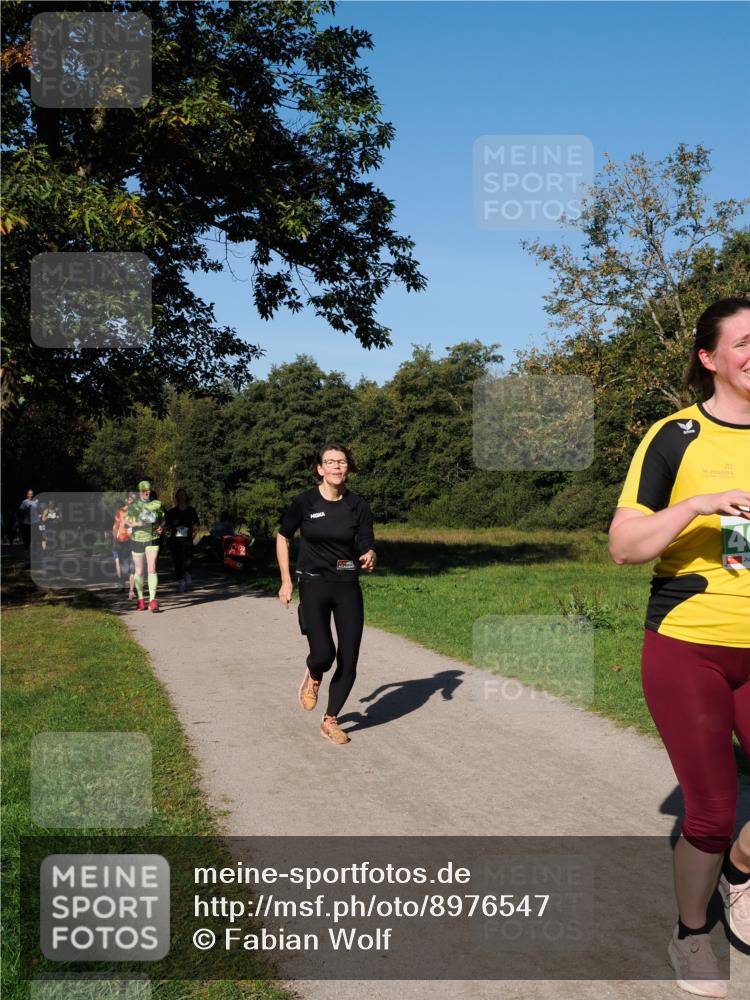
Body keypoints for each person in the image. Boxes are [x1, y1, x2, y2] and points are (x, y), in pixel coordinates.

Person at [609, 298, 750, 999]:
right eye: (745, 342)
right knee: (711, 812)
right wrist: (700, 505)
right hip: (688, 645)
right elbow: (624, 547)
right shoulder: (676, 436)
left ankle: (742, 869)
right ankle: (694, 931)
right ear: (710, 358)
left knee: (736, 832)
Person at [276, 442, 376, 745]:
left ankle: (331, 719)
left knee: (349, 658)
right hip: (314, 583)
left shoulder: (357, 505)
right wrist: (286, 581)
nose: (336, 466)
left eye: (342, 462)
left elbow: (365, 541)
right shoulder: (304, 503)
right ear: (319, 469)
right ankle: (314, 674)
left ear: (348, 468)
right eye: (330, 462)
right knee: (324, 654)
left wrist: (369, 553)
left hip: (346, 585)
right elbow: (283, 538)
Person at [125, 480, 166, 612]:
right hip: (137, 540)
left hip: (152, 539)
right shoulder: (133, 506)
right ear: (140, 492)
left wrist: (161, 526)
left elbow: (162, 519)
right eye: (144, 490)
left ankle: (152, 600)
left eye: (148, 490)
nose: (147, 492)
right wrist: (138, 524)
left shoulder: (157, 504)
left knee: (152, 568)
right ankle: (141, 599)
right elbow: (126, 522)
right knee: (139, 571)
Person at [166, 488, 199, 592]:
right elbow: (166, 525)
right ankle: (181, 581)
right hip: (175, 539)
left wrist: (195, 533)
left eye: (183, 495)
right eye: (179, 495)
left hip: (188, 538)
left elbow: (197, 524)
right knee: (177, 561)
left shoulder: (191, 510)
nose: (181, 497)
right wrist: (173, 524)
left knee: (188, 559)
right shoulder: (172, 512)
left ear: (186, 497)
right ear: (176, 497)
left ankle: (187, 573)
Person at [112, 492, 136, 598]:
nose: (132, 501)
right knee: (125, 569)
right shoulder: (120, 511)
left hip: (134, 542)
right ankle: (123, 583)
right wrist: (115, 539)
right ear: (126, 500)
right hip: (122, 542)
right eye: (130, 499)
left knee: (133, 568)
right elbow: (115, 527)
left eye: (134, 499)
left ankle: (132, 590)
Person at [19, 489, 39, 555]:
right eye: (30, 494)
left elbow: (39, 510)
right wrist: (26, 509)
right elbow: (20, 511)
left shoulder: (36, 501)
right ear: (27, 495)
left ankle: (35, 550)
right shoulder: (24, 502)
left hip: (35, 521)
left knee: (35, 537)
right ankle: (27, 549)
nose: (31, 495)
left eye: (32, 494)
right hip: (27, 522)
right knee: (27, 537)